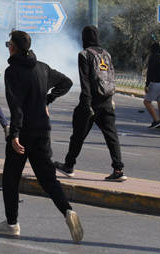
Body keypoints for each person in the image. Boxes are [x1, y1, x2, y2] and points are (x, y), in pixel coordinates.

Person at [0, 30, 82, 242]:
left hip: (23, 133)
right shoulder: (43, 68)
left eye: (8, 44)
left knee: (11, 178)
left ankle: (11, 223)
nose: (8, 47)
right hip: (42, 130)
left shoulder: (12, 71)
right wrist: (47, 100)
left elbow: (17, 107)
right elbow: (66, 82)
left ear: (13, 47)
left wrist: (14, 135)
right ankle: (68, 211)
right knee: (48, 178)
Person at [54, 26, 127, 182]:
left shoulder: (84, 54)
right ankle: (118, 169)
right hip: (107, 100)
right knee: (111, 135)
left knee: (78, 135)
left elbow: (84, 81)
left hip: (91, 102)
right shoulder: (106, 54)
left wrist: (86, 105)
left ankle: (69, 165)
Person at [143, 41, 160, 129]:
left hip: (155, 83)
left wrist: (147, 84)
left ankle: (156, 120)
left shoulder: (153, 57)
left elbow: (150, 72)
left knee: (147, 102)